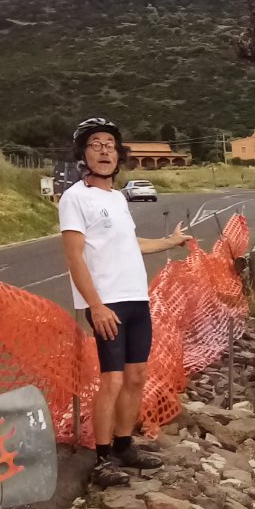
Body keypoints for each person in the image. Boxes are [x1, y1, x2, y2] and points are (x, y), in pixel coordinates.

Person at [58, 117, 190, 488]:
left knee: (136, 377)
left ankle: (124, 446)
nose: (104, 150)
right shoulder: (75, 198)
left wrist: (169, 241)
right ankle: (102, 460)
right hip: (108, 304)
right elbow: (74, 258)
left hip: (136, 299)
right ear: (83, 153)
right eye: (95, 144)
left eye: (110, 145)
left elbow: (130, 244)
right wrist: (95, 305)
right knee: (111, 380)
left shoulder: (117, 197)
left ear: (119, 156)